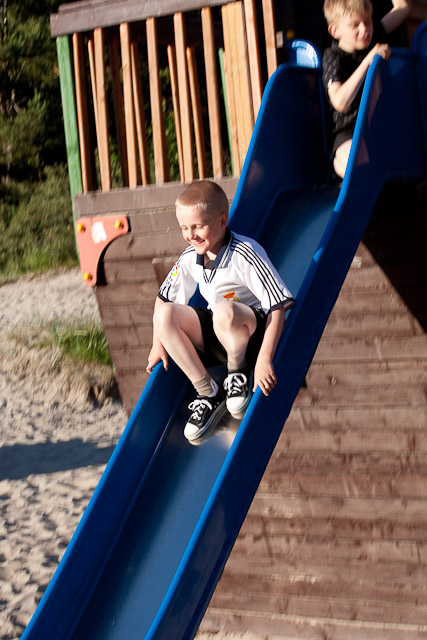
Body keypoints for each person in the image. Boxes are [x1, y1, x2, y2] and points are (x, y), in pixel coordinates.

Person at [146, 180, 295, 441]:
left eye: (198, 226)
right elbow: (163, 300)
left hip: (251, 335)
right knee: (165, 315)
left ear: (222, 221)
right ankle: (208, 392)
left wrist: (265, 357)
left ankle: (238, 373)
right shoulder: (189, 258)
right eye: (184, 228)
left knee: (225, 312)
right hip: (220, 334)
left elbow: (277, 306)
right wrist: (157, 344)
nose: (191, 235)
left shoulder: (245, 253)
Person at [323, 0, 412, 178]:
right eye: (355, 25)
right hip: (350, 131)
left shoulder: (373, 36)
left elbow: (403, 7)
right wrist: (367, 62)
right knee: (353, 159)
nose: (364, 29)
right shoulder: (334, 57)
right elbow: (340, 101)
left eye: (368, 22)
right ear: (335, 31)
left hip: (378, 129)